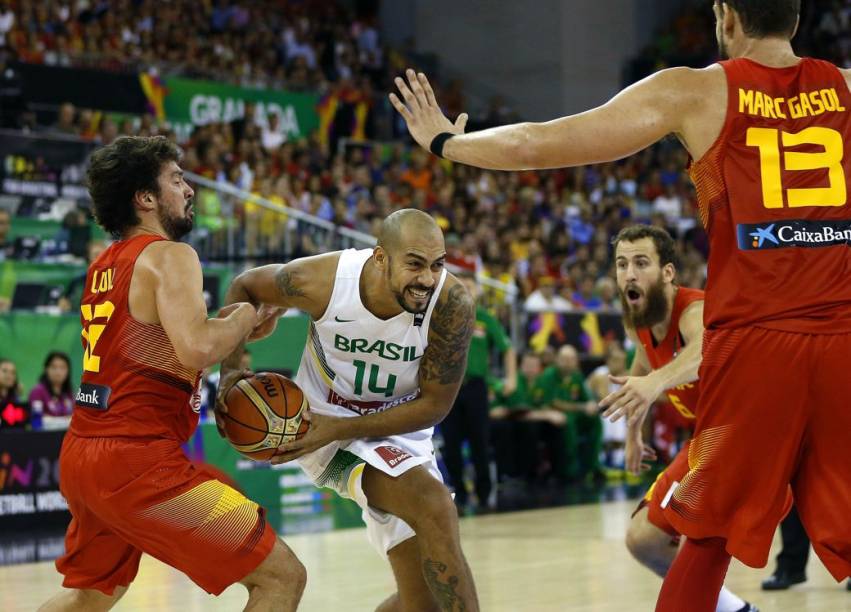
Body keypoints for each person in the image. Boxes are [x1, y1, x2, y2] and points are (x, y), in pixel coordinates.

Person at [390, 2, 851, 609]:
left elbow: (539, 144)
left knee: (704, 538)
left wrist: (449, 141)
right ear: (794, 17)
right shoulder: (842, 86)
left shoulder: (696, 90)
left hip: (757, 346)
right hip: (842, 337)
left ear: (726, 16)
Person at [40, 136, 305, 612]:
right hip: (135, 461)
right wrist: (243, 316)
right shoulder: (170, 255)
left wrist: (233, 324)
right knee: (282, 577)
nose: (189, 191)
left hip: (84, 453)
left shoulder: (105, 265)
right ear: (145, 198)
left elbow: (162, 347)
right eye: (177, 180)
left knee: (91, 596)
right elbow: (197, 345)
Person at [216, 208, 480, 612]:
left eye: (437, 264)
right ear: (380, 258)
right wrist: (232, 372)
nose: (427, 278)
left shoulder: (451, 304)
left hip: (398, 426)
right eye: (414, 264)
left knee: (422, 603)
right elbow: (245, 286)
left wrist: (342, 427)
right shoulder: (323, 282)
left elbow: (434, 406)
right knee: (434, 505)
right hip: (318, 428)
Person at [599, 225, 755, 612]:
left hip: (754, 436)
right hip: (711, 442)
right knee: (643, 539)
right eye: (621, 265)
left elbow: (704, 351)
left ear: (668, 272)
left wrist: (655, 382)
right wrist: (634, 432)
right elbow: (637, 372)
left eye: (640, 263)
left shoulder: (695, 309)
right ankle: (736, 610)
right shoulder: (637, 320)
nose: (629, 274)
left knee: (696, 539)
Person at [441, 269, 516, 515]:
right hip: (448, 387)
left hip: (476, 388)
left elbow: (507, 348)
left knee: (479, 442)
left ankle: (485, 495)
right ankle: (460, 494)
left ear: (478, 291)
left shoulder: (485, 318)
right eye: (461, 286)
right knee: (450, 444)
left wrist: (511, 378)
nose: (466, 290)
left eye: (470, 286)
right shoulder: (441, 316)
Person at [28, 351, 74, 430]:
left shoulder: (69, 393)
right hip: (44, 438)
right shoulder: (37, 392)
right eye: (54, 367)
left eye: (63, 368)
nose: (58, 372)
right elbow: (37, 421)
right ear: (46, 369)